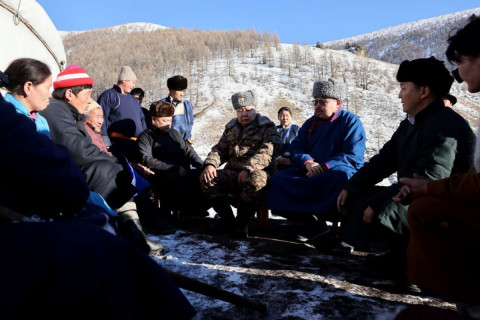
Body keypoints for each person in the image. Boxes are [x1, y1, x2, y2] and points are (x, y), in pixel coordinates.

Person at [0, 91, 196, 320]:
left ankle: (140, 228)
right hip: (28, 217)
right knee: (100, 250)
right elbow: (57, 161)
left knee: (109, 242)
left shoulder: (39, 119)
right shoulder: (36, 117)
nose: (101, 119)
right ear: (29, 87)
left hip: (49, 203)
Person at [336, 57, 475, 276]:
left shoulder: (447, 125)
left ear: (423, 92)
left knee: (394, 207)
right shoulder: (411, 123)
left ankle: (419, 264)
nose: (400, 94)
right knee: (358, 195)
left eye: (403, 88)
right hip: (413, 192)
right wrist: (350, 186)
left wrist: (379, 201)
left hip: (444, 202)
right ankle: (400, 253)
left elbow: (432, 178)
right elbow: (383, 161)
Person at [393, 16, 480, 318]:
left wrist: (425, 187)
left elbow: (444, 176)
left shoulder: (447, 125)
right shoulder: (411, 124)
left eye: (463, 61)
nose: (459, 72)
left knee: (423, 209)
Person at [40, 64, 175, 254]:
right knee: (108, 169)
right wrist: (117, 161)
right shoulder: (56, 111)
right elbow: (79, 151)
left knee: (119, 169)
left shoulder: (69, 113)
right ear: (70, 94)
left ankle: (134, 229)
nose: (89, 102)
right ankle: (132, 232)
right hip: (59, 176)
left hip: (72, 171)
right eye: (87, 95)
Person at [265, 79, 366, 228]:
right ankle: (309, 223)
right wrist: (308, 162)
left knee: (339, 179)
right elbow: (296, 148)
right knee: (280, 179)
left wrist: (325, 166)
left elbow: (352, 154)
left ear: (337, 103)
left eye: (323, 102)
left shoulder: (351, 121)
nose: (317, 106)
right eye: (316, 102)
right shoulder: (310, 123)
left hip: (335, 170)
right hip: (310, 170)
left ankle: (329, 224)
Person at [200, 90, 281, 238]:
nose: (244, 114)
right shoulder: (231, 128)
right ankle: (227, 219)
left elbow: (267, 152)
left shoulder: (267, 127)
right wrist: (210, 164)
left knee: (256, 180)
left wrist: (248, 169)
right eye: (240, 110)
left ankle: (242, 222)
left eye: (248, 110)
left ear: (255, 109)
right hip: (234, 171)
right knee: (207, 178)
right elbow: (220, 149)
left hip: (259, 171)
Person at [137, 100, 209, 222]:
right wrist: (174, 167)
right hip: (161, 173)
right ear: (154, 120)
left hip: (183, 170)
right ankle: (177, 213)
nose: (168, 124)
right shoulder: (146, 137)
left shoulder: (174, 133)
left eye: (170, 121)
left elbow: (189, 151)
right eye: (164, 121)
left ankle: (195, 210)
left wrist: (202, 166)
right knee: (172, 178)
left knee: (200, 176)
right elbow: (147, 160)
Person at [1, 58, 52, 137]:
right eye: (48, 88)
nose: (50, 95)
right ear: (28, 87)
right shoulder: (7, 117)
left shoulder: (41, 121)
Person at [97, 66, 147, 143]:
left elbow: (142, 119)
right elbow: (101, 118)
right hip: (117, 141)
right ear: (124, 80)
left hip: (136, 142)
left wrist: (145, 139)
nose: (134, 86)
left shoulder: (133, 99)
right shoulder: (109, 95)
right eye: (132, 82)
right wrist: (105, 140)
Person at [161, 75, 194, 144]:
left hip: (185, 144)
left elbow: (189, 126)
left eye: (183, 91)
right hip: (167, 144)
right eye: (179, 90)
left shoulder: (188, 105)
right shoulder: (162, 105)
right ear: (170, 90)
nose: (182, 94)